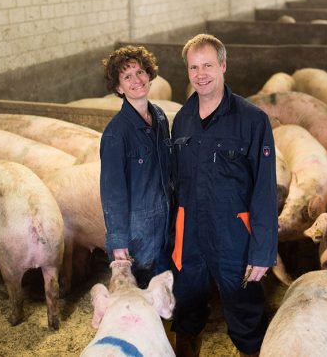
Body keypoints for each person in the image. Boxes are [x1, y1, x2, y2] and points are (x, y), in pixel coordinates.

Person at [170, 34, 278, 357]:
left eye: (207, 65)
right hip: (190, 236)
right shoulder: (182, 120)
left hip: (234, 237)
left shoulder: (252, 120)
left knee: (245, 313)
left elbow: (264, 190)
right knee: (186, 312)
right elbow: (176, 184)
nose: (200, 74)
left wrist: (262, 251)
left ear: (223, 66)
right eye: (193, 67)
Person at [99, 45, 172, 288]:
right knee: (140, 292)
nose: (136, 80)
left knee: (161, 289)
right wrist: (118, 242)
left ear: (149, 75)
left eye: (140, 72)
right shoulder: (116, 134)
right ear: (118, 88)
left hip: (165, 223)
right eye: (127, 76)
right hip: (137, 234)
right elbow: (112, 193)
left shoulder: (160, 116)